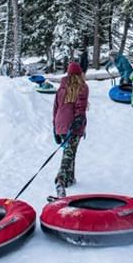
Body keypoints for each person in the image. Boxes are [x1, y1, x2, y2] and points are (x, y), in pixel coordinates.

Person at [53, 62, 89, 198]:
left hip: (60, 123)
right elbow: (81, 106)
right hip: (73, 123)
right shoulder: (82, 87)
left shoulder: (61, 88)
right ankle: (60, 179)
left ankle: (69, 179)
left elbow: (55, 108)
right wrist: (79, 119)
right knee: (69, 152)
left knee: (70, 150)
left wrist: (54, 128)